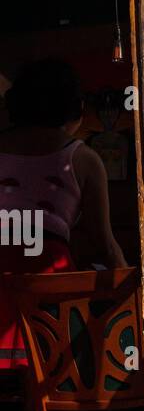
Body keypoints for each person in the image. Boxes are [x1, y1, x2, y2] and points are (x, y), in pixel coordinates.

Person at [0, 58, 126, 371]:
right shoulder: (84, 159)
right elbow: (104, 244)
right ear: (74, 107)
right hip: (50, 309)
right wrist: (133, 285)